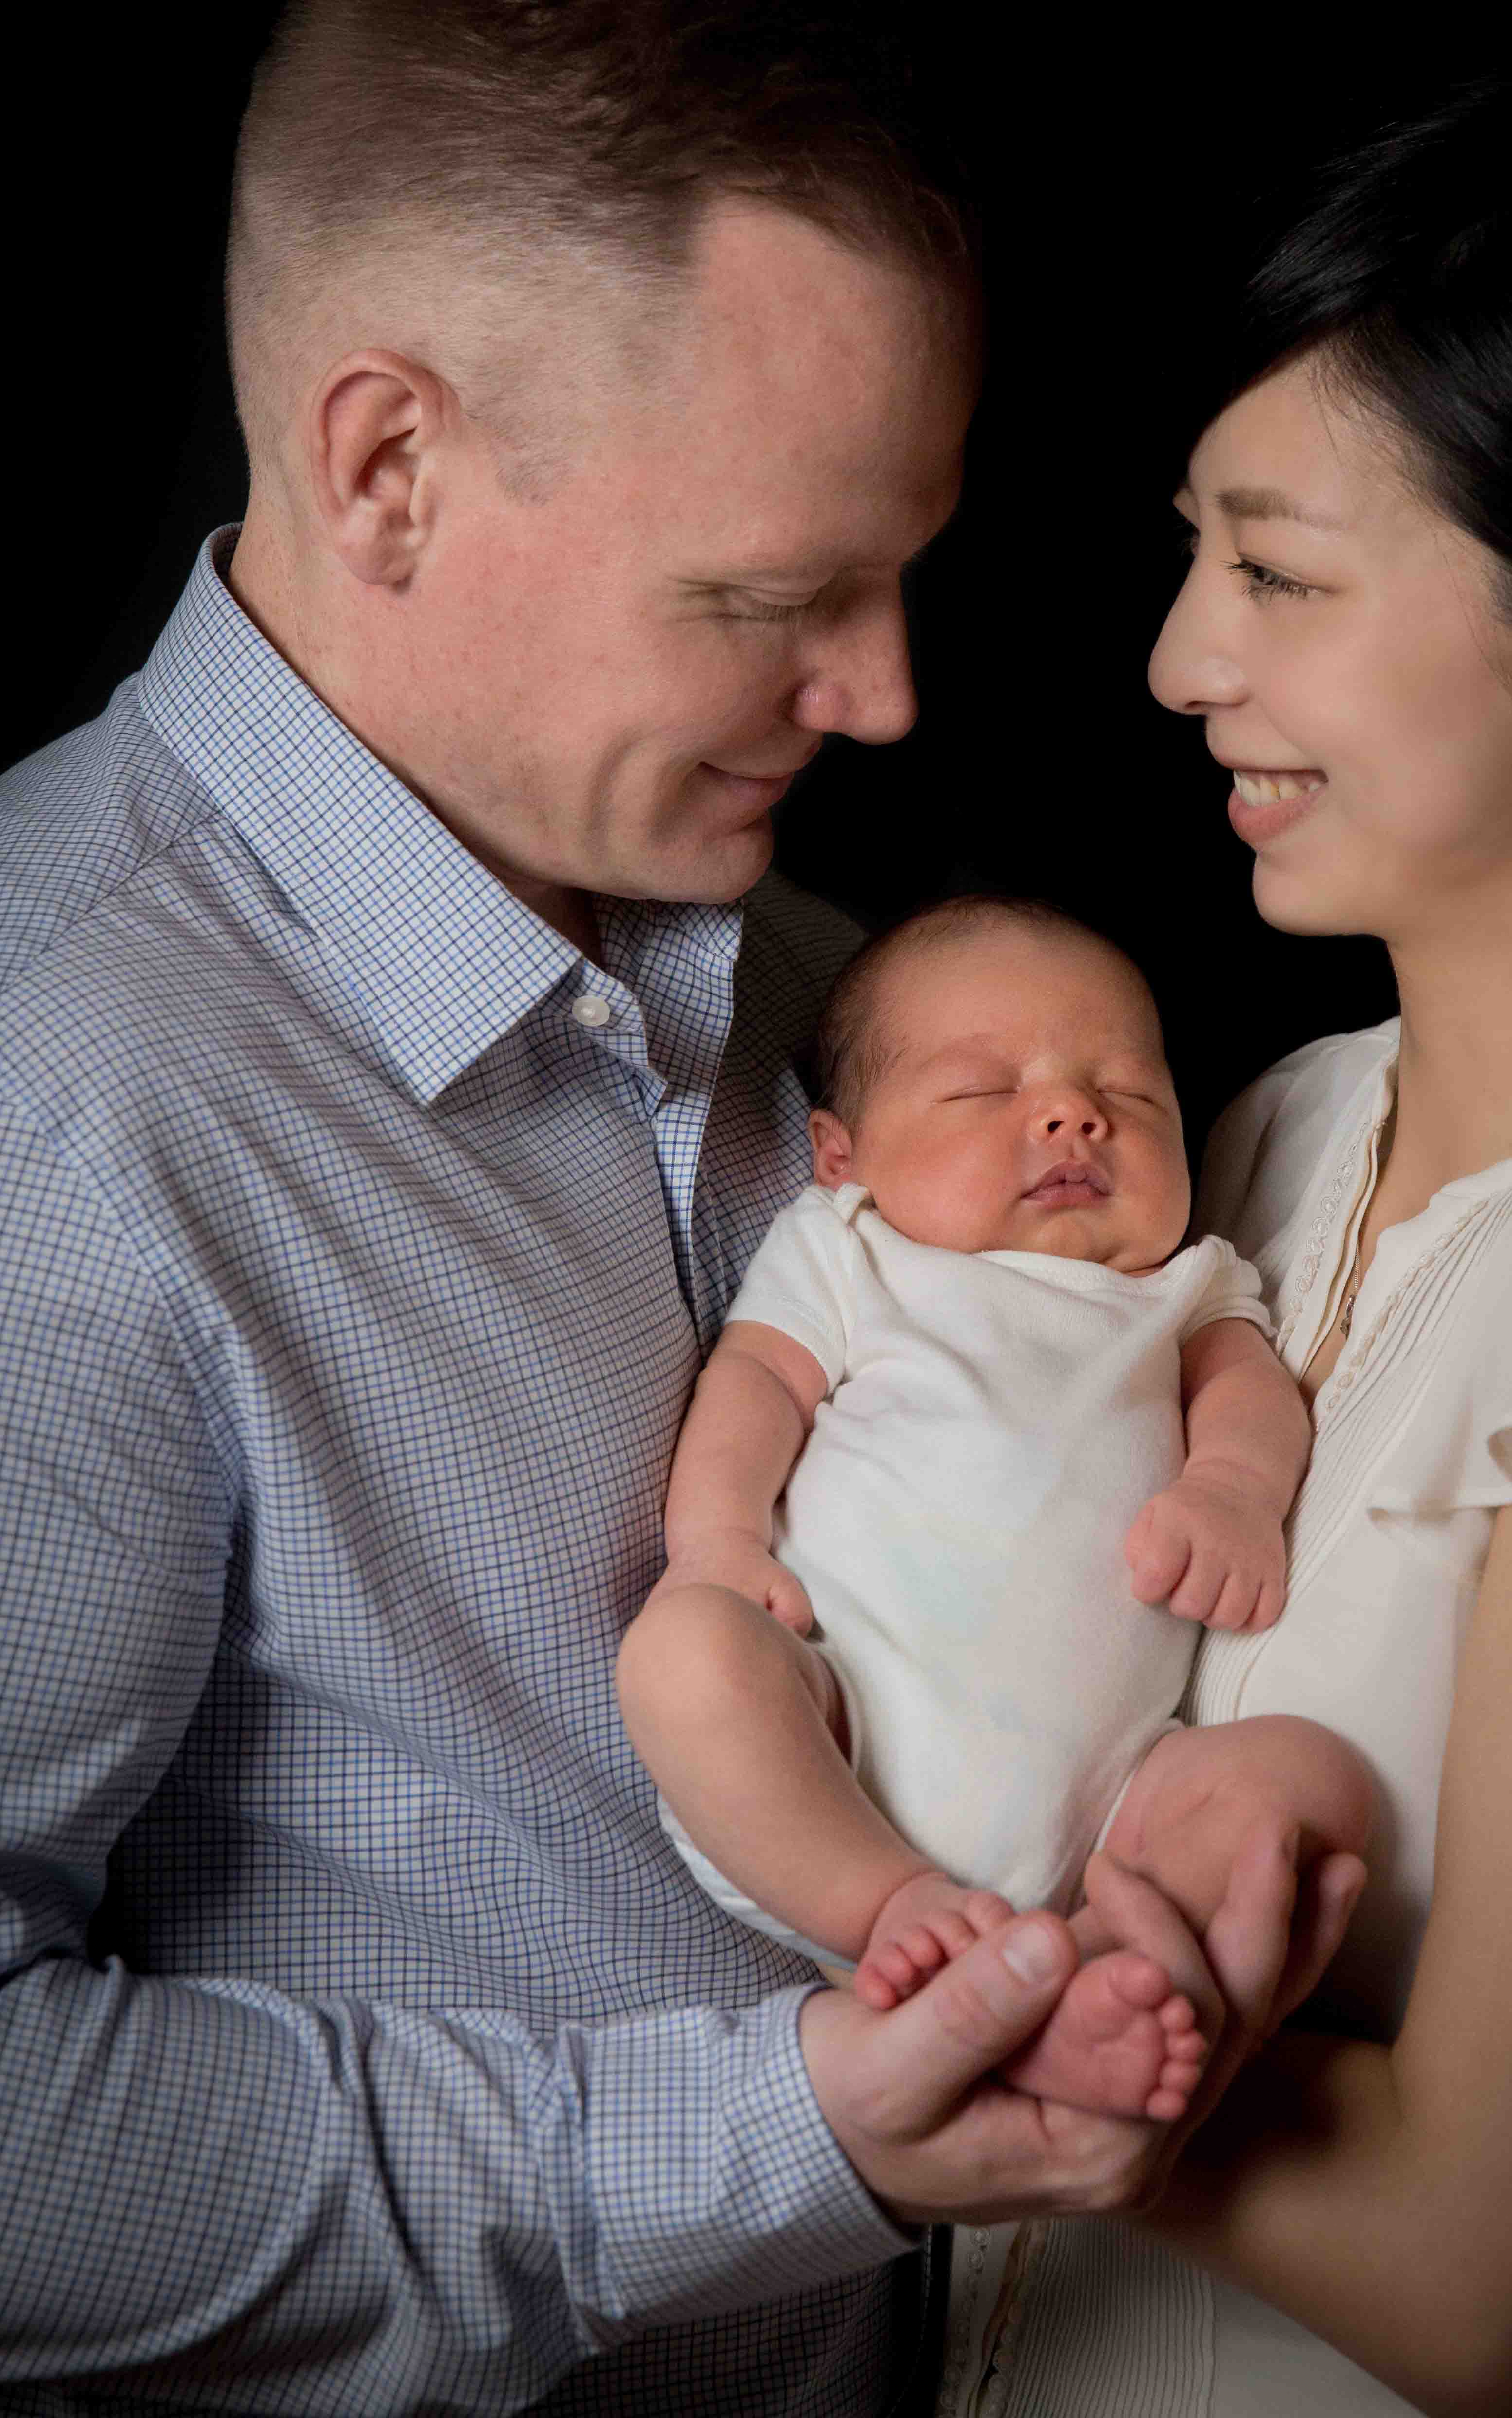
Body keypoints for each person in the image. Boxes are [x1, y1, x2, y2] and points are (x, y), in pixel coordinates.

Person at [0, 0, 1357, 2414]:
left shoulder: (818, 987)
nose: (887, 698)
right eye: (775, 597)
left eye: (900, 574)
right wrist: (757, 2142)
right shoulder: (21, 1108)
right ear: (386, 465)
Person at [938, 78, 1512, 2414]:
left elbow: (1498, 2282)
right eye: (1193, 559)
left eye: (1279, 575)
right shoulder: (1266, 1126)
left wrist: (939, 2012)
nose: (1177, 661)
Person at [618, 895, 1374, 2124]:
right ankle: (887, 1908)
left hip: (1112, 1808)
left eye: (1127, 1092)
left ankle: (1097, 1987)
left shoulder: (1186, 1285)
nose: (1075, 1116)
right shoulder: (853, 1250)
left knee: (1309, 1778)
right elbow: (754, 1382)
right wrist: (717, 1542)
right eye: (984, 1090)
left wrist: (1232, 1491)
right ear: (842, 1155)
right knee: (685, 1657)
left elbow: (1249, 1393)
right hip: (832, 1736)